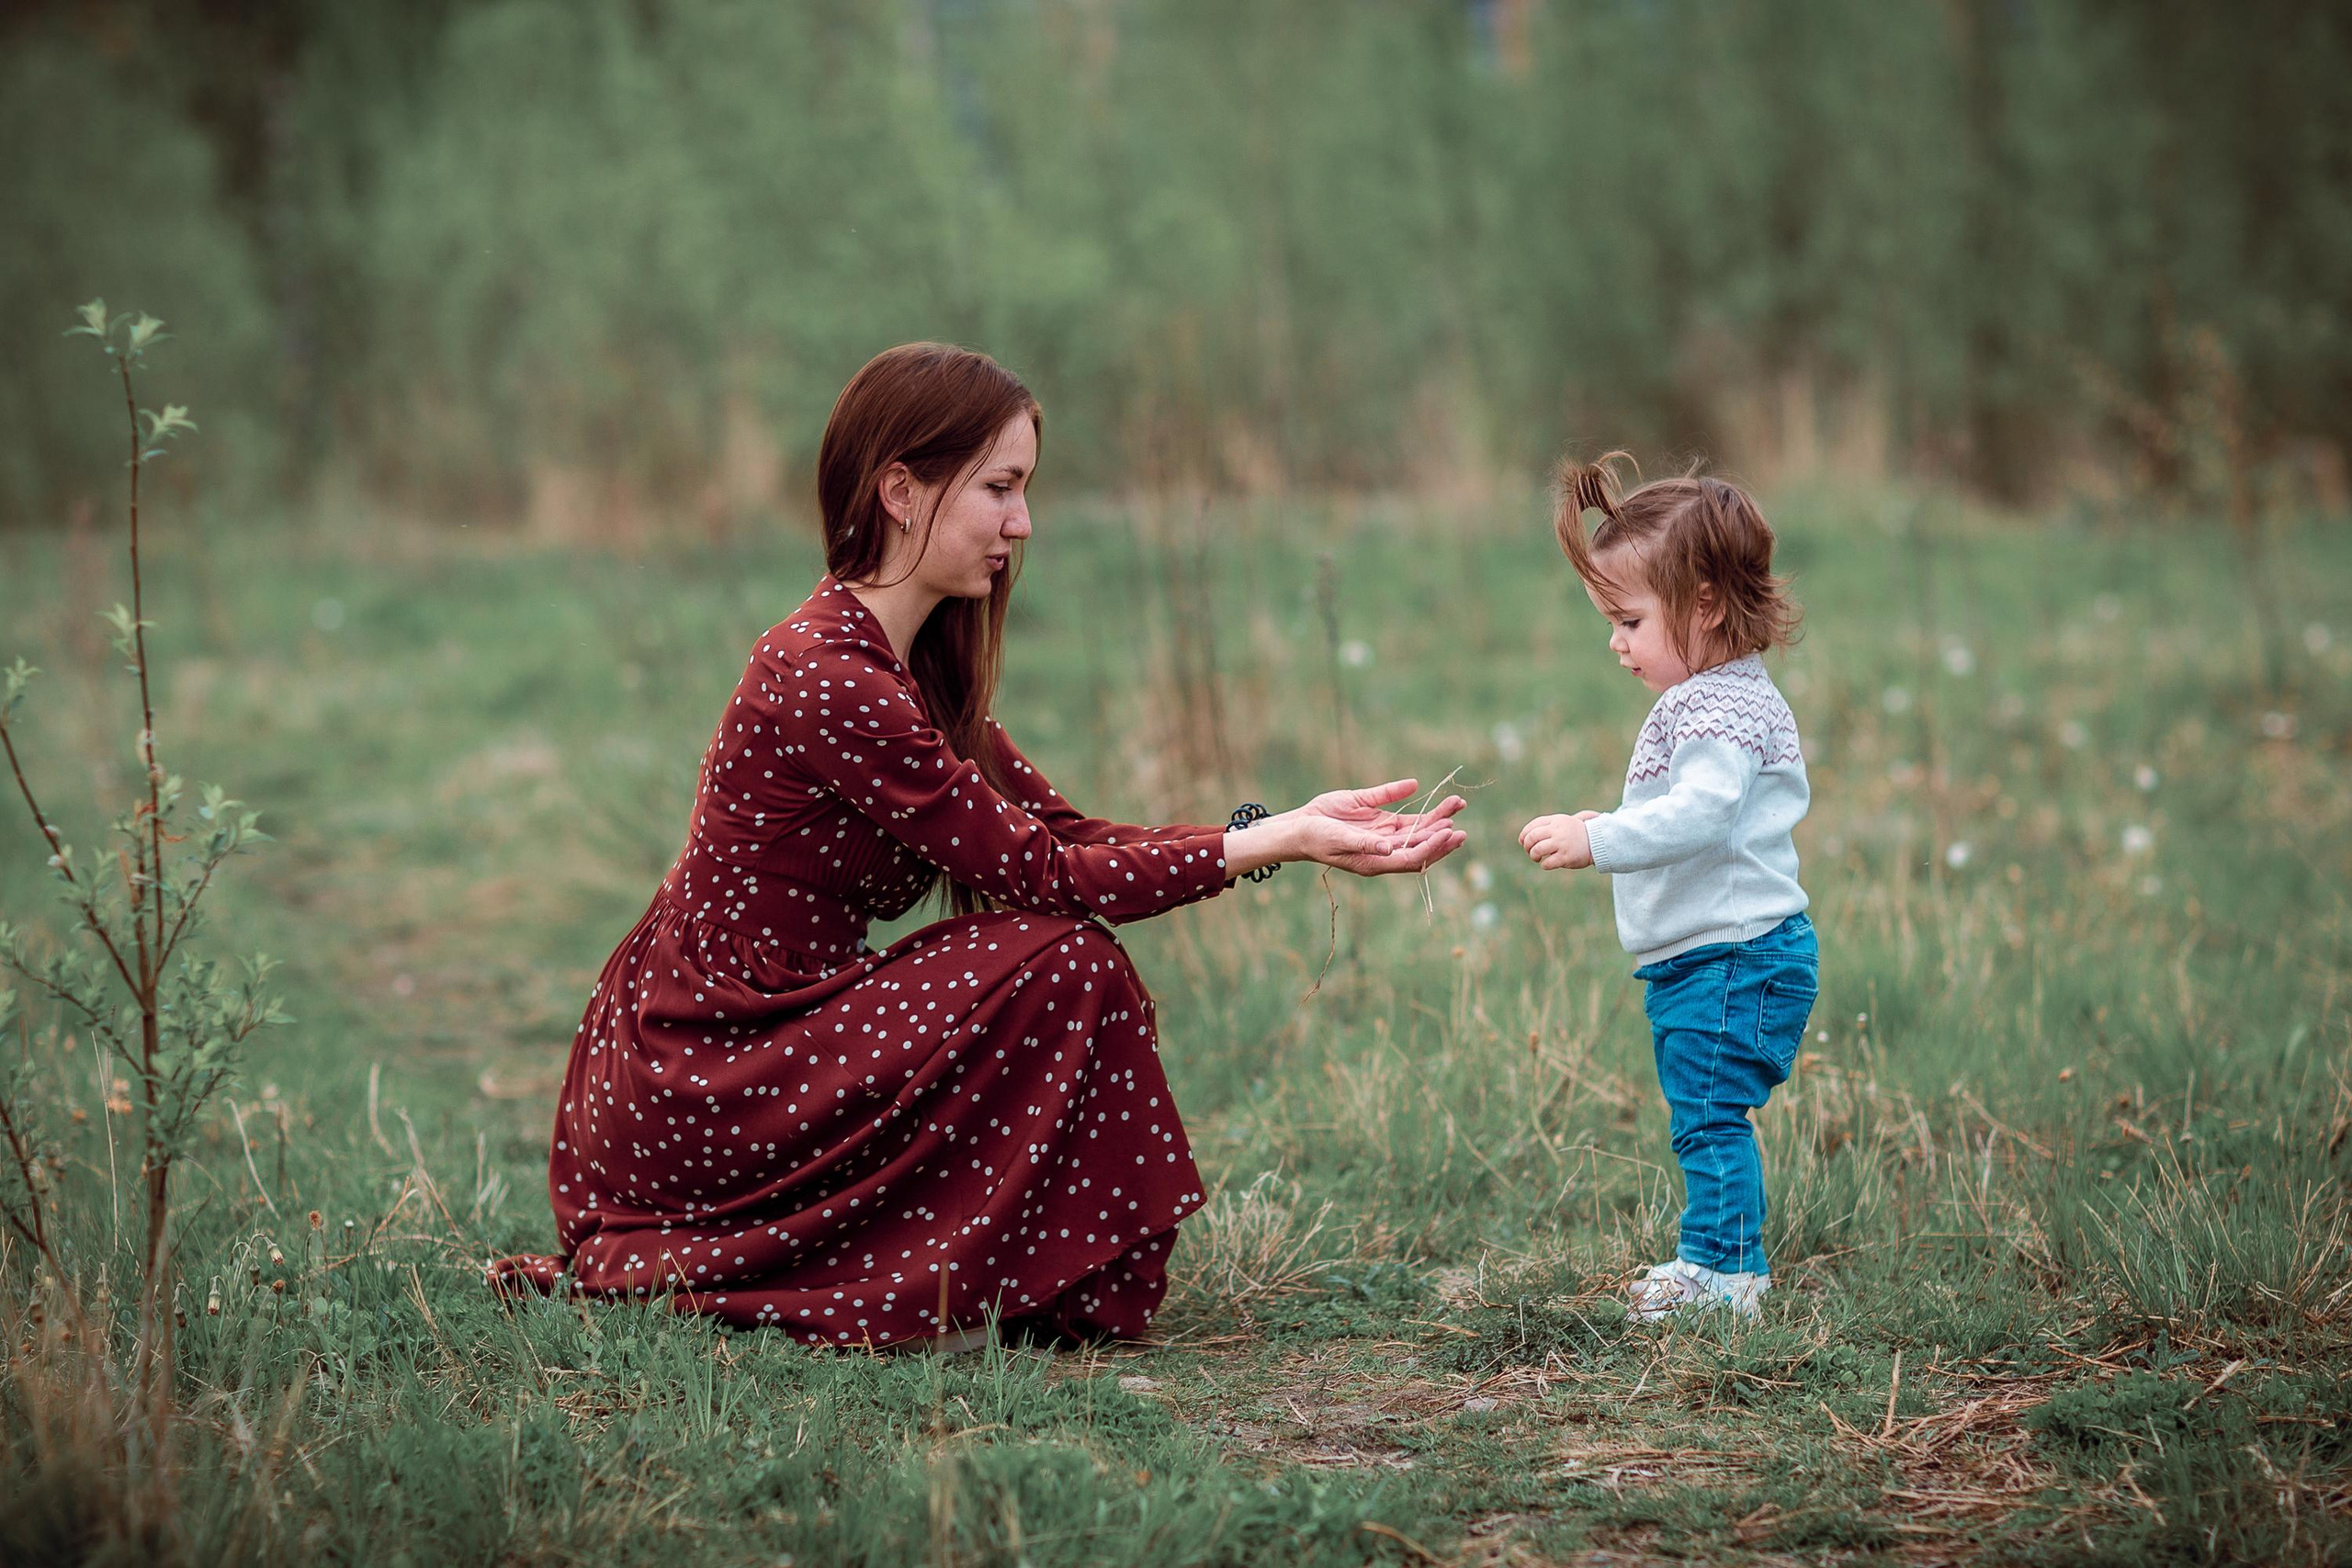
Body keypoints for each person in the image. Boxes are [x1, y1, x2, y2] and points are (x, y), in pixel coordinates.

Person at [490, 343, 1466, 1349]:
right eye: (999, 487)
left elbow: (1062, 836)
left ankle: (981, 1281)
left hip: (784, 1026)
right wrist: (1281, 842)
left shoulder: (905, 676)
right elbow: (1049, 875)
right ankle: (953, 1286)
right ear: (901, 491)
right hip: (708, 1060)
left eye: (1024, 489)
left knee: (1061, 958)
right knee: (1063, 959)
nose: (1022, 523)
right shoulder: (824, 673)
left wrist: (1278, 828)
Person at [1518, 454, 1815, 1321]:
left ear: (1706, 605)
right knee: (1704, 1113)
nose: (1616, 643)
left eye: (1630, 620)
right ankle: (1716, 1259)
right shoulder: (1718, 697)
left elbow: (1703, 814)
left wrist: (1595, 837)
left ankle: (1726, 1276)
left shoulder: (1719, 709)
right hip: (1714, 957)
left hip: (1733, 958)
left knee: (1710, 1118)